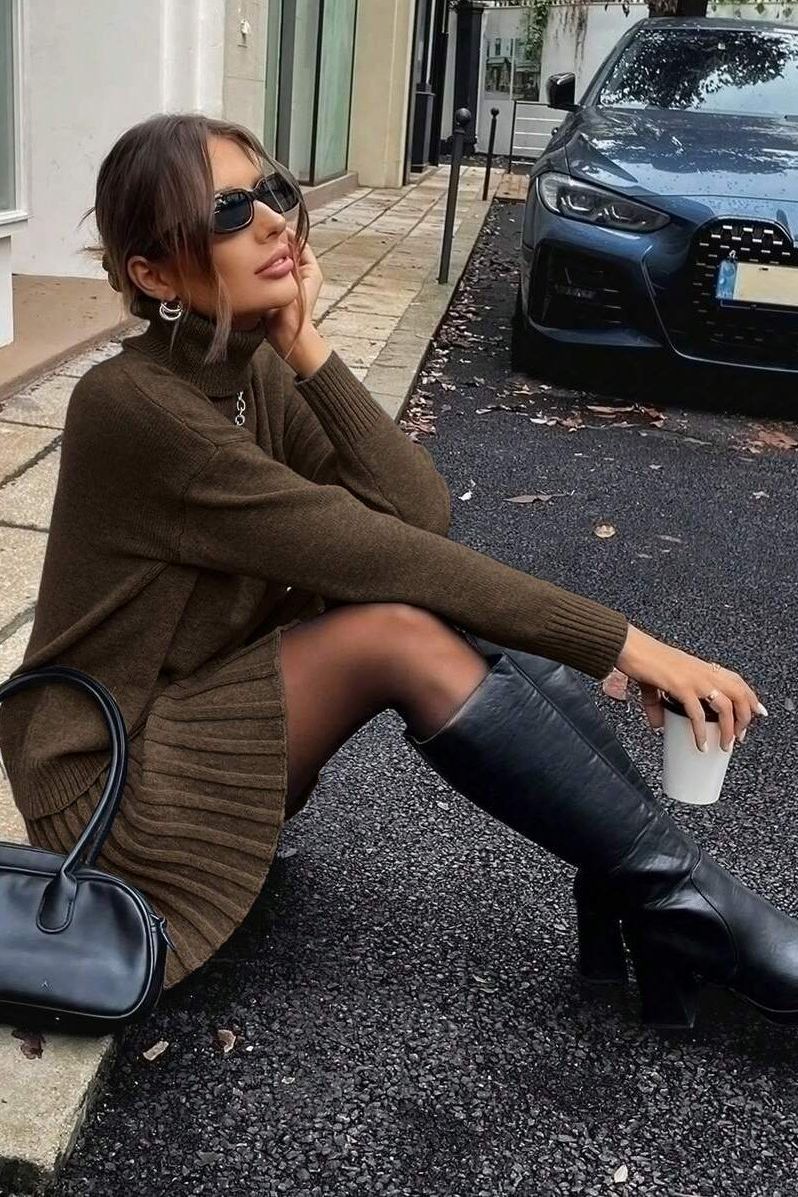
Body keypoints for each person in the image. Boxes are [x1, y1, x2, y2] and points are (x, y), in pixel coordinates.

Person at [0, 113, 794, 1032]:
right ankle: (689, 908)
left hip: (193, 717)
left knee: (431, 603)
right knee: (395, 630)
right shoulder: (133, 407)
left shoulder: (250, 373)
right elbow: (388, 551)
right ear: (155, 274)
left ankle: (651, 886)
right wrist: (629, 646)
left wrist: (307, 347)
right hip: (110, 790)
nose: (274, 221)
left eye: (273, 192)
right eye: (228, 211)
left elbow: (415, 511)